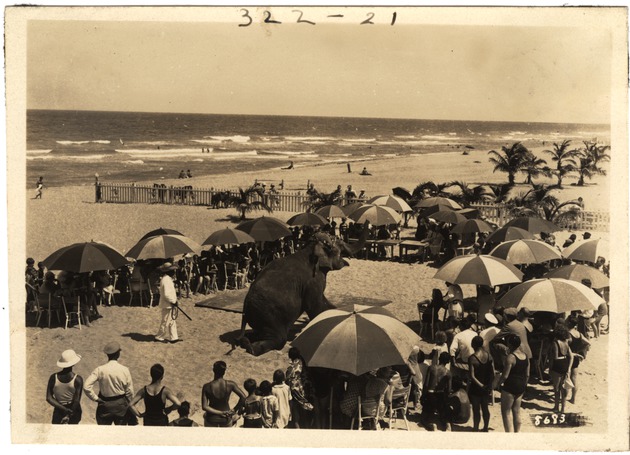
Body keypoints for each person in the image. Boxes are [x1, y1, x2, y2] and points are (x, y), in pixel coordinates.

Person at [84, 341, 135, 425]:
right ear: (118, 354)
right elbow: (129, 391)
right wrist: (130, 405)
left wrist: (96, 398)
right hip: (120, 405)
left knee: (104, 433)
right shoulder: (125, 369)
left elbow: (86, 386)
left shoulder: (100, 369)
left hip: (105, 404)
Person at [493, 334, 529, 433]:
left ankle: (509, 435)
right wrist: (524, 385)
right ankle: (517, 433)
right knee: (517, 411)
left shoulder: (511, 357)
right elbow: (527, 374)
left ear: (510, 344)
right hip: (521, 385)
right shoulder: (525, 356)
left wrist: (498, 384)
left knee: (506, 412)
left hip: (510, 386)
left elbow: (505, 376)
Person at [201, 360, 246, 427]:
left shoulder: (207, 386)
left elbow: (205, 406)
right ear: (224, 372)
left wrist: (220, 413)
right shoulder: (231, 384)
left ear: (213, 370)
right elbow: (243, 397)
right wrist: (234, 410)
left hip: (211, 419)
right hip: (226, 418)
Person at [46, 349, 83, 424]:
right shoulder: (78, 379)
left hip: (58, 409)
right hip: (74, 410)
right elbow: (76, 401)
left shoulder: (53, 377)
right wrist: (68, 414)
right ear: (73, 363)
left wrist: (64, 409)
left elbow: (49, 398)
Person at [468, 336, 493, 432]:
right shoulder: (489, 356)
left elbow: (472, 376)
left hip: (476, 387)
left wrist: (481, 385)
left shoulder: (472, 358)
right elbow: (492, 373)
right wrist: (489, 386)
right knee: (485, 408)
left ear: (473, 345)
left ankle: (475, 428)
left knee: (476, 409)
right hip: (486, 386)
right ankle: (486, 428)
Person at [421, 352, 452, 431]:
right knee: (443, 415)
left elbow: (426, 384)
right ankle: (447, 425)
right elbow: (449, 390)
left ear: (439, 359)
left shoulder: (431, 368)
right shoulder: (448, 373)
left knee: (424, 418)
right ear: (448, 362)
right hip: (440, 396)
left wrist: (423, 396)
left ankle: (432, 425)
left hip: (430, 395)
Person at [285, 347, 314, 428]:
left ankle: (297, 427)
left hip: (294, 390)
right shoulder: (302, 363)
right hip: (302, 389)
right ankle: (307, 426)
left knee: (295, 411)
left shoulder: (291, 368)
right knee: (304, 409)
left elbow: (288, 379)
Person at [549, 325, 573, 413]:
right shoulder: (566, 343)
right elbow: (571, 356)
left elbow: (554, 357)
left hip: (557, 365)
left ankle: (556, 407)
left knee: (556, 388)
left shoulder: (555, 343)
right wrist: (569, 368)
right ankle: (563, 409)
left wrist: (550, 368)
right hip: (565, 364)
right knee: (564, 388)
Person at [154, 262, 181, 343]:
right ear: (168, 271)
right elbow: (166, 294)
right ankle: (159, 336)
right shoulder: (166, 280)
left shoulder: (168, 279)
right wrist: (173, 301)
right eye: (172, 270)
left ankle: (174, 337)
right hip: (167, 304)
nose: (174, 272)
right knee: (165, 321)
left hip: (170, 304)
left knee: (172, 320)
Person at [566, 315, 589, 405]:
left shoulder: (567, 334)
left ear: (568, 323)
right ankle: (573, 399)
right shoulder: (579, 334)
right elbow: (588, 343)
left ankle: (564, 397)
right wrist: (579, 350)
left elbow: (565, 347)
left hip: (568, 357)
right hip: (576, 357)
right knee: (574, 378)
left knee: (566, 377)